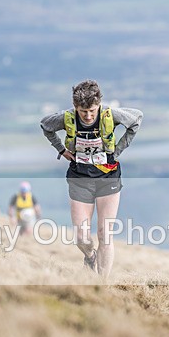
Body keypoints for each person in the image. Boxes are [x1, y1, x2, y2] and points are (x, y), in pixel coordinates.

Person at [40, 80, 142, 278]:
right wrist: (61, 149)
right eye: (83, 111)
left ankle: (101, 284)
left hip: (108, 176)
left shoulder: (110, 115)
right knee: (81, 237)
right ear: (75, 106)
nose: (88, 116)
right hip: (79, 176)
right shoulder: (67, 117)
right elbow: (45, 125)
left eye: (92, 111)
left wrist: (118, 149)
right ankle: (90, 256)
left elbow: (137, 118)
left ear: (99, 104)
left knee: (105, 234)